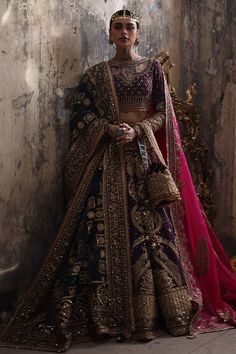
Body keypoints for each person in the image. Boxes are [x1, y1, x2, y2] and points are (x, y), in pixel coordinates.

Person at [1, 8, 236, 353]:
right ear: (109, 34)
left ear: (138, 33)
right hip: (107, 158)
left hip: (145, 157)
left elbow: (163, 114)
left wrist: (137, 129)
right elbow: (82, 114)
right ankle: (107, 311)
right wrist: (109, 129)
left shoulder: (153, 69)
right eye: (118, 27)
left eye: (130, 27)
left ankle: (153, 313)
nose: (124, 32)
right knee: (98, 233)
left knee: (154, 232)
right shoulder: (96, 75)